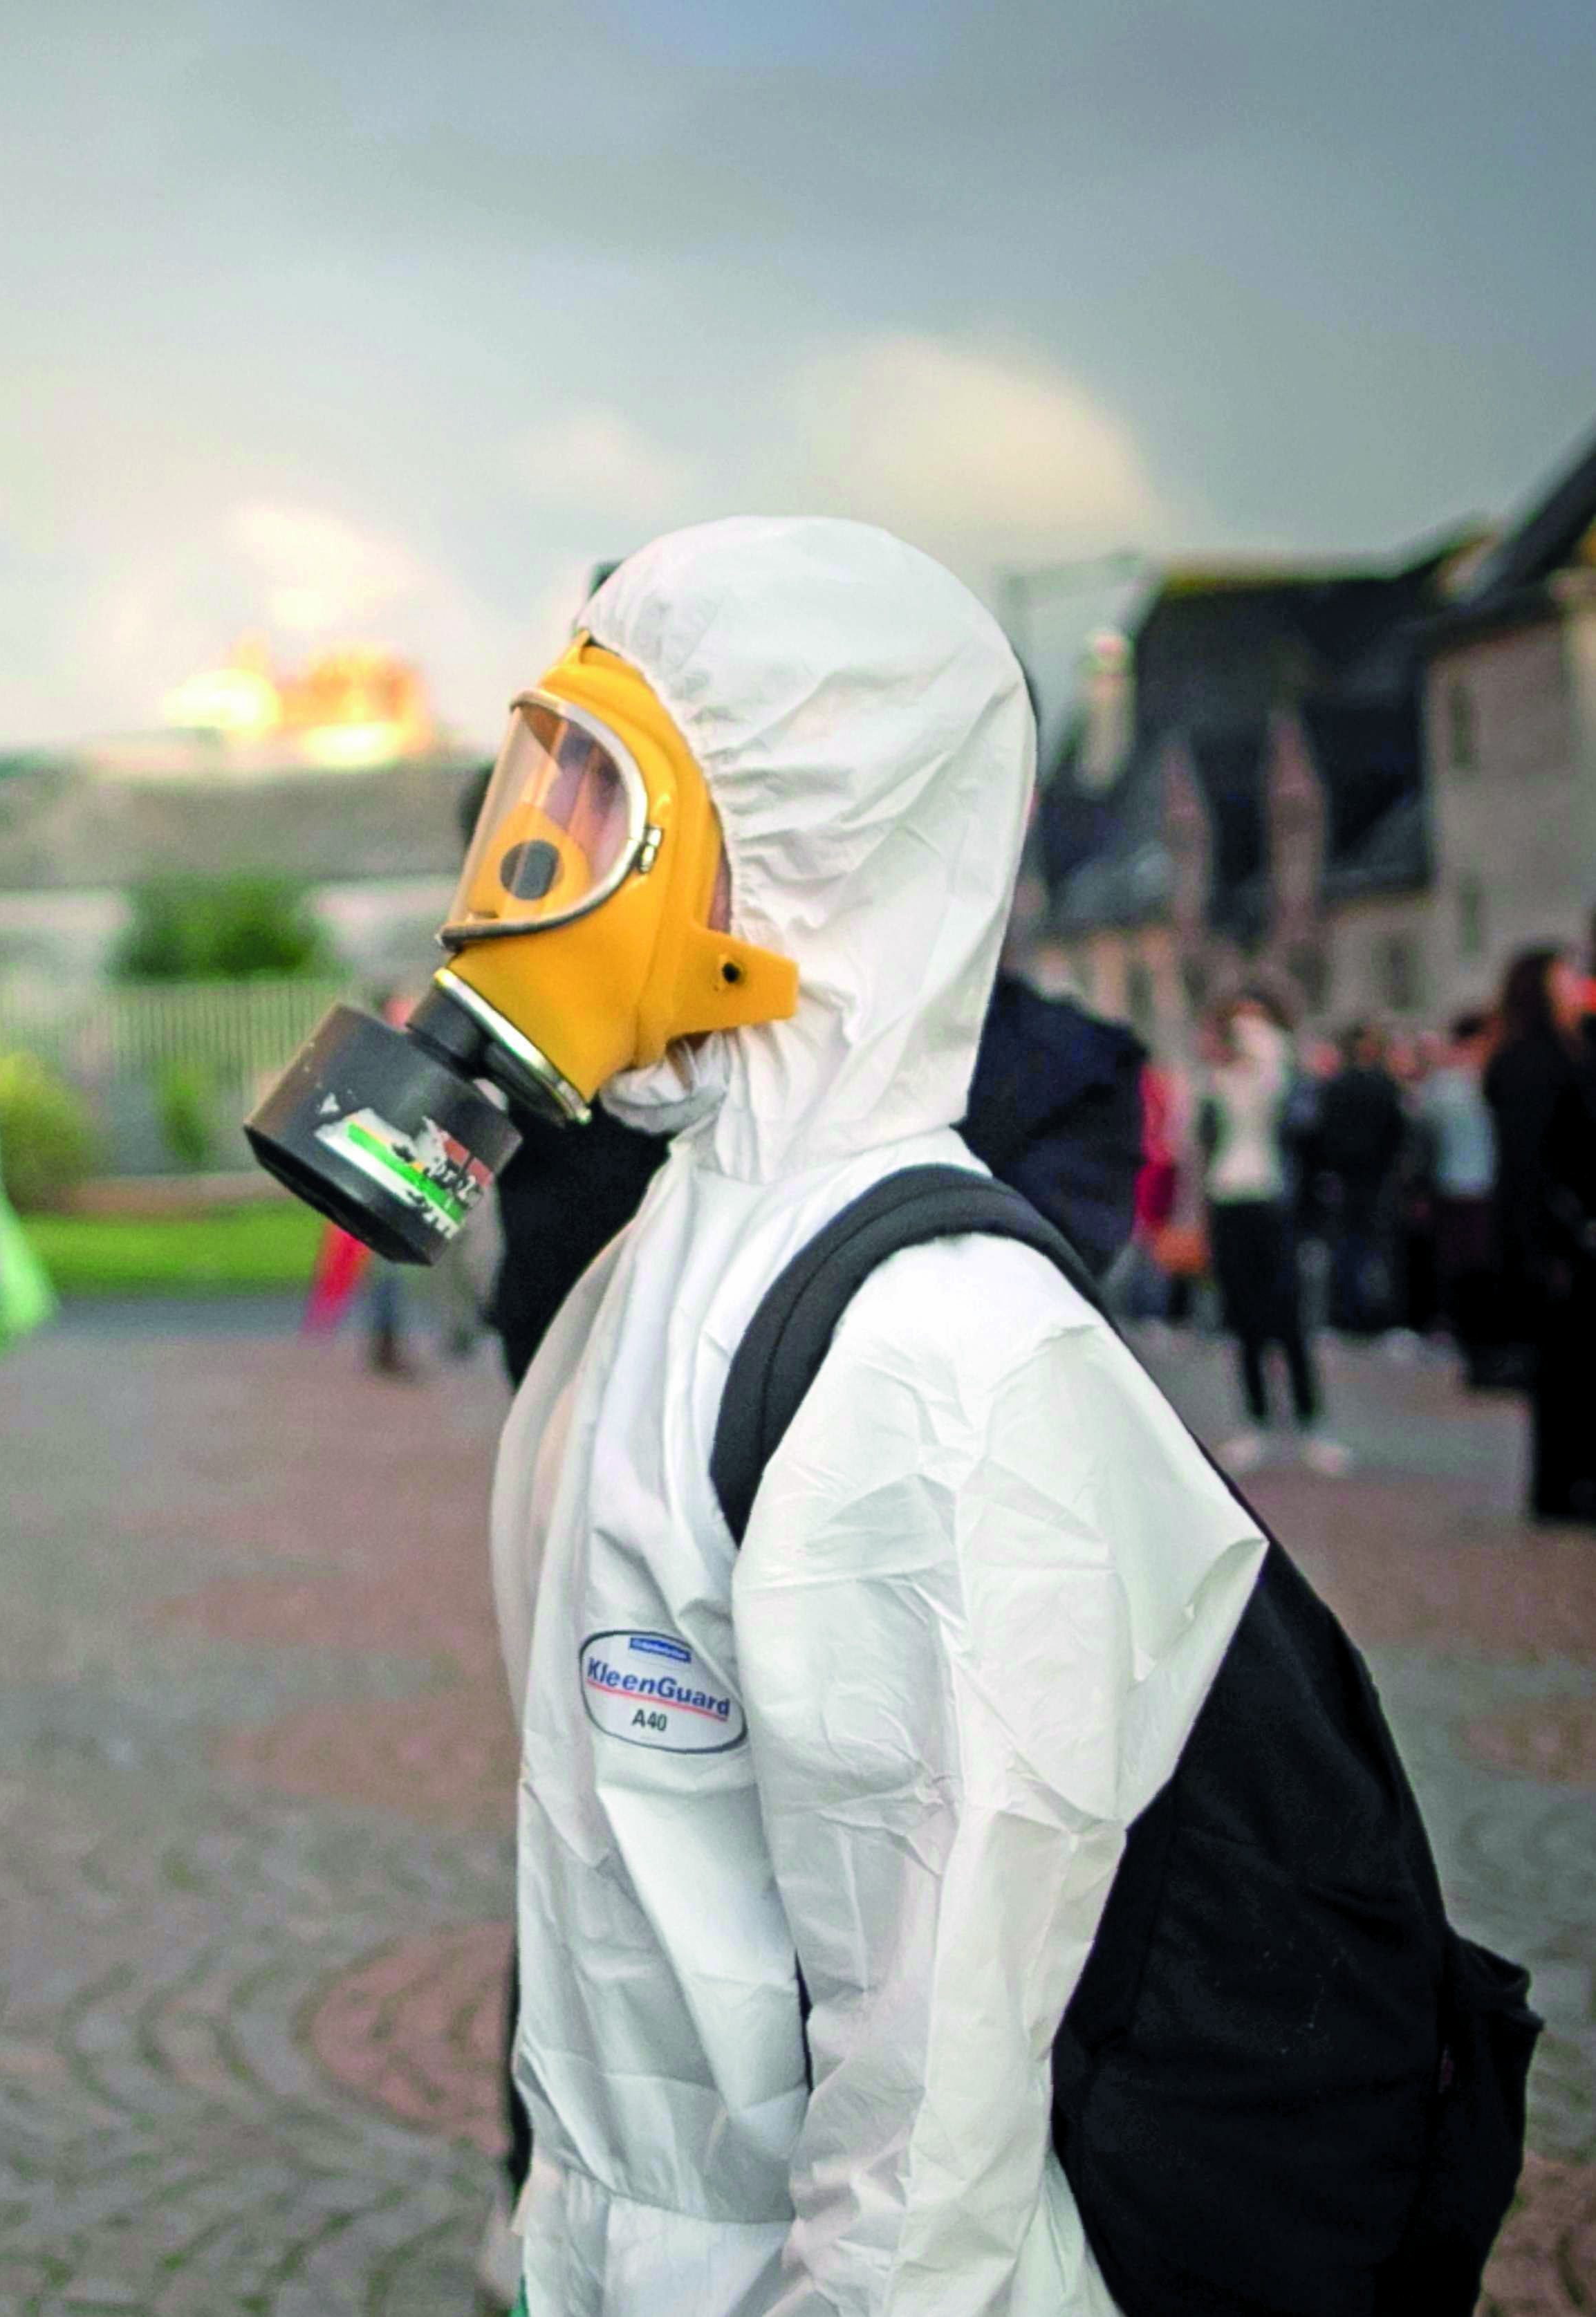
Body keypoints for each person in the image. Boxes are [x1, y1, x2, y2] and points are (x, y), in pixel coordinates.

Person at [470, 519, 1310, 2314]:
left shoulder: (933, 1352)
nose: (532, 858)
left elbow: (929, 2104)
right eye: (530, 784)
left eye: (594, 799)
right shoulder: (664, 1246)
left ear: (782, 852)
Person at [1196, 992, 1343, 1472]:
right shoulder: (1216, 1084)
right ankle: (1254, 1418)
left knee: (1290, 1316)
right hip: (1229, 1202)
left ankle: (1309, 1421)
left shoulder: (1286, 1081)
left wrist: (1273, 1060)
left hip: (1276, 1204)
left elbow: (1307, 1127)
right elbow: (1202, 1141)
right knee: (1243, 1316)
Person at [1494, 944, 1596, 1520]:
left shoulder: (1556, 1051)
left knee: (1568, 1369)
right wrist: (1545, 1243)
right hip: (1558, 1241)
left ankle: (1566, 1481)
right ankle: (1562, 1485)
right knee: (1564, 1370)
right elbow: (1530, 1164)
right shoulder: (1535, 1061)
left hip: (1560, 1235)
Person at [1308, 1018, 1413, 1339]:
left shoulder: (1335, 1087)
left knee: (1348, 1247)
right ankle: (1379, 1315)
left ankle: (1347, 1313)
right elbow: (1398, 1133)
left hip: (1346, 1178)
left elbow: (1321, 1134)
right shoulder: (1385, 1086)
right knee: (1375, 1247)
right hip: (1376, 1179)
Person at [1424, 1006, 1509, 1384]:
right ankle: (1484, 1356)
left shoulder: (1441, 1086)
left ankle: (1477, 1356)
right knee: (1478, 1274)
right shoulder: (1470, 1084)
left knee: (1465, 1274)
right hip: (1478, 1191)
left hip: (1455, 1190)